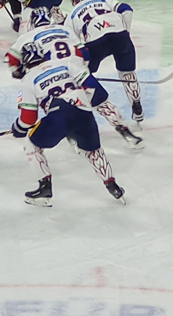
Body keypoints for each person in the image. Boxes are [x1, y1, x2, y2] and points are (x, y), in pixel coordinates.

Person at [10, 41, 127, 206]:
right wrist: (83, 102)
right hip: (84, 113)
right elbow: (95, 89)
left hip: (58, 116)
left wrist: (18, 128)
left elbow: (28, 118)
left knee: (31, 145)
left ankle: (44, 188)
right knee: (93, 151)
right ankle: (112, 185)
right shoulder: (65, 64)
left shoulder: (28, 80)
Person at [68, 0, 143, 123]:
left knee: (81, 77)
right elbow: (127, 10)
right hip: (119, 36)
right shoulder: (103, 0)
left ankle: (82, 109)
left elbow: (70, 40)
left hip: (95, 42)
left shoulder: (73, 13)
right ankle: (136, 105)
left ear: (74, 0)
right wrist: (125, 33)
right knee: (127, 73)